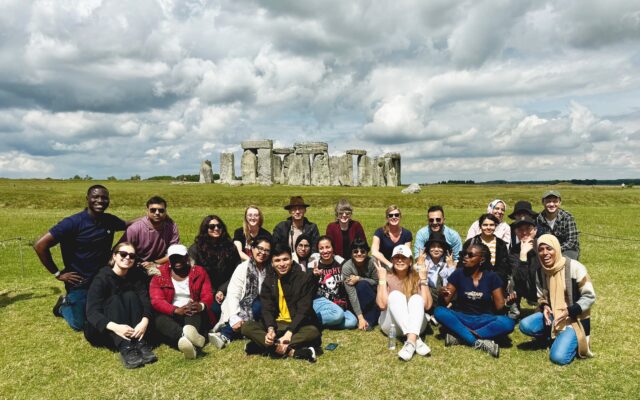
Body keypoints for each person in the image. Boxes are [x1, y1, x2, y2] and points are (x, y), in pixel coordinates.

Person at [33, 185, 127, 331]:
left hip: (102, 279)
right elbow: (40, 245)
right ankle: (63, 305)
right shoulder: (72, 223)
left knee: (109, 314)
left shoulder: (109, 220)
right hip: (79, 282)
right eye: (95, 197)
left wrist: (150, 217)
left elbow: (127, 225)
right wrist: (58, 274)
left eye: (104, 197)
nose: (100, 201)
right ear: (87, 199)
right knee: (80, 323)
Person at [519, 234, 595, 366]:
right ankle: (554, 335)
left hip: (574, 320)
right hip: (554, 315)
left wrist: (570, 311)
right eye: (541, 249)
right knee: (525, 325)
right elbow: (541, 296)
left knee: (558, 357)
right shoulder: (541, 271)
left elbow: (589, 296)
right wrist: (545, 306)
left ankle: (569, 339)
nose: (545, 253)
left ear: (557, 249)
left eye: (549, 249)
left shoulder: (575, 267)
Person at [241, 242, 321, 362]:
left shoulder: (303, 278)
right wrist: (270, 330)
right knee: (247, 327)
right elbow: (267, 309)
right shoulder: (269, 281)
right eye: (277, 260)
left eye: (285, 259)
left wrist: (289, 333)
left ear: (291, 260)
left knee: (313, 332)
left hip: (298, 325)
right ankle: (292, 351)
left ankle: (263, 347)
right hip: (277, 324)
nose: (282, 264)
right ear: (272, 263)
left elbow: (304, 310)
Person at [433, 243, 517, 358]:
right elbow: (445, 303)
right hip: (461, 317)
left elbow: (499, 308)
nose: (465, 257)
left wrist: (507, 304)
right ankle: (477, 342)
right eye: (464, 254)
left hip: (484, 319)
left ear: (481, 259)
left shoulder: (492, 277)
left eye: (470, 255)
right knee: (439, 312)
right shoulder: (458, 274)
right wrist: (442, 294)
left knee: (508, 323)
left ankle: (461, 337)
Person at [84, 242, 157, 369]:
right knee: (115, 299)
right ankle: (126, 347)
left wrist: (144, 321)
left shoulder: (136, 276)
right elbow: (92, 312)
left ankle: (139, 343)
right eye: (123, 254)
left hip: (131, 325)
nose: (127, 258)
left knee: (130, 295)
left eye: (132, 256)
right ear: (114, 256)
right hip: (104, 329)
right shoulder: (102, 278)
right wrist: (116, 327)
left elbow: (146, 301)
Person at [149, 244, 214, 359]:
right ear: (169, 259)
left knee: (192, 312)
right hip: (172, 312)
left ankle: (187, 341)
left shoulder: (199, 272)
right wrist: (175, 310)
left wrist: (201, 305)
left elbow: (208, 294)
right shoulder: (159, 275)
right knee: (159, 320)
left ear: (187, 258)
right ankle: (190, 338)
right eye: (173, 258)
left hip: (192, 310)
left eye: (180, 257)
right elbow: (156, 301)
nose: (177, 261)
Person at [209, 236, 272, 349]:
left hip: (262, 309)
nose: (263, 253)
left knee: (260, 303)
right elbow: (233, 294)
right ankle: (227, 332)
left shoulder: (270, 269)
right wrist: (233, 316)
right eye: (260, 248)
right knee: (256, 305)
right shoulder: (242, 268)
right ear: (252, 248)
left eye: (267, 250)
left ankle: (224, 333)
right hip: (240, 306)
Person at [375, 245, 433, 361]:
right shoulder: (386, 276)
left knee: (416, 298)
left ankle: (410, 342)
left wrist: (424, 280)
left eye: (404, 257)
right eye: (396, 257)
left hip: (416, 324)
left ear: (410, 261)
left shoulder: (417, 277)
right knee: (396, 296)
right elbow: (382, 305)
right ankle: (415, 339)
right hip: (392, 326)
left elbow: (427, 306)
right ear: (392, 260)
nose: (400, 260)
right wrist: (382, 280)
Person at [188, 215, 241, 320]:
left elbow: (237, 272)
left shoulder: (231, 247)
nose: (216, 229)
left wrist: (222, 290)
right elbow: (195, 275)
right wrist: (213, 292)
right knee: (214, 310)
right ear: (205, 229)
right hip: (205, 290)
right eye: (211, 227)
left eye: (219, 226)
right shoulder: (196, 249)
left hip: (228, 288)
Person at [118, 195, 180, 278]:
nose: (157, 213)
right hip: (136, 264)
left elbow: (175, 252)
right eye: (153, 210)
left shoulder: (171, 226)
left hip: (160, 263)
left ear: (166, 211)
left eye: (161, 210)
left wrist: (155, 263)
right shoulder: (135, 229)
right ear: (147, 211)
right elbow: (120, 251)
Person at [310, 236, 357, 329]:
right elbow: (308, 289)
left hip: (337, 303)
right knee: (338, 315)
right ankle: (310, 320)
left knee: (352, 322)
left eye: (328, 247)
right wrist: (313, 276)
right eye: (321, 248)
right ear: (318, 251)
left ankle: (324, 322)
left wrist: (355, 277)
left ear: (333, 248)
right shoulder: (314, 265)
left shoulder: (341, 263)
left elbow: (352, 275)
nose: (325, 251)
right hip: (320, 301)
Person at [341, 238, 379, 330]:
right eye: (355, 251)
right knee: (361, 286)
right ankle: (364, 318)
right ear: (351, 253)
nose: (359, 254)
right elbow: (351, 294)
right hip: (355, 298)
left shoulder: (372, 262)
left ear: (367, 252)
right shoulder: (347, 267)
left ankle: (370, 319)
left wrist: (359, 278)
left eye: (362, 251)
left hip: (371, 295)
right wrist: (360, 318)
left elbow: (377, 282)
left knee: (363, 285)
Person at [536, 190, 580, 260]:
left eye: (555, 201)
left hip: (566, 249)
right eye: (548, 201)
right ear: (543, 202)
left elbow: (572, 242)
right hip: (545, 250)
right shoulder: (537, 218)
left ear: (560, 202)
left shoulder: (567, 217)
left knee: (566, 262)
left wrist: (555, 249)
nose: (552, 204)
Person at [508, 215, 541, 308]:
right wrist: (523, 255)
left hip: (543, 288)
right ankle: (514, 308)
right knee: (512, 280)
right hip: (525, 288)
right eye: (520, 229)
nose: (524, 232)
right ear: (516, 232)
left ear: (535, 230)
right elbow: (519, 278)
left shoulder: (543, 246)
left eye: (528, 229)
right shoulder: (513, 251)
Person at [371, 205, 413, 269]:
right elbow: (374, 251)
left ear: (400, 216)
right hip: (383, 263)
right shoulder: (379, 232)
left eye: (396, 215)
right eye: (390, 215)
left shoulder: (407, 233)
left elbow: (407, 253)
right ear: (387, 218)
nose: (394, 217)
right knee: (373, 258)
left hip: (399, 263)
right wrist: (390, 264)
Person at [421, 231, 456, 307]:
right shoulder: (424, 262)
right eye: (433, 246)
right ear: (428, 249)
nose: (436, 249)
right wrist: (420, 265)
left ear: (444, 249)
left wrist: (451, 267)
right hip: (427, 299)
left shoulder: (447, 263)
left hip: (444, 299)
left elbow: (454, 283)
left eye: (439, 247)